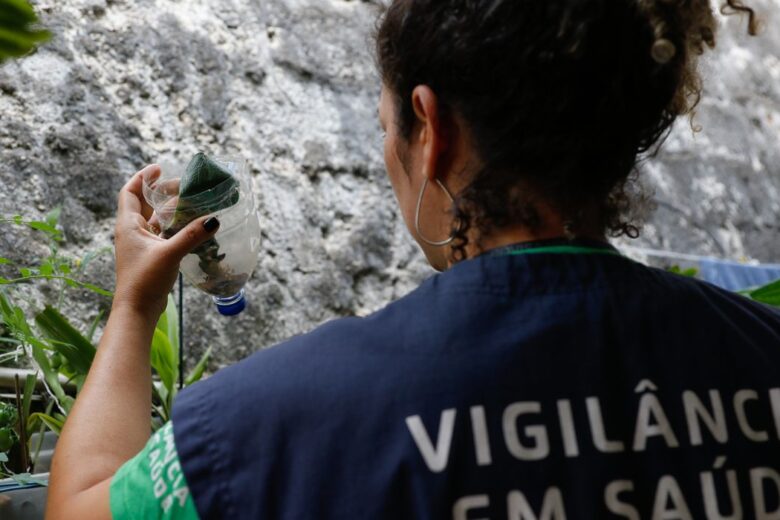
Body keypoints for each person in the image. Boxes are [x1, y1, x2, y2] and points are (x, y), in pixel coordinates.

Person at [46, 1, 779, 519]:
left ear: (431, 129)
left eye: (385, 124)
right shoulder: (762, 353)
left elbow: (80, 506)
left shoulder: (271, 426)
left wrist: (135, 304)